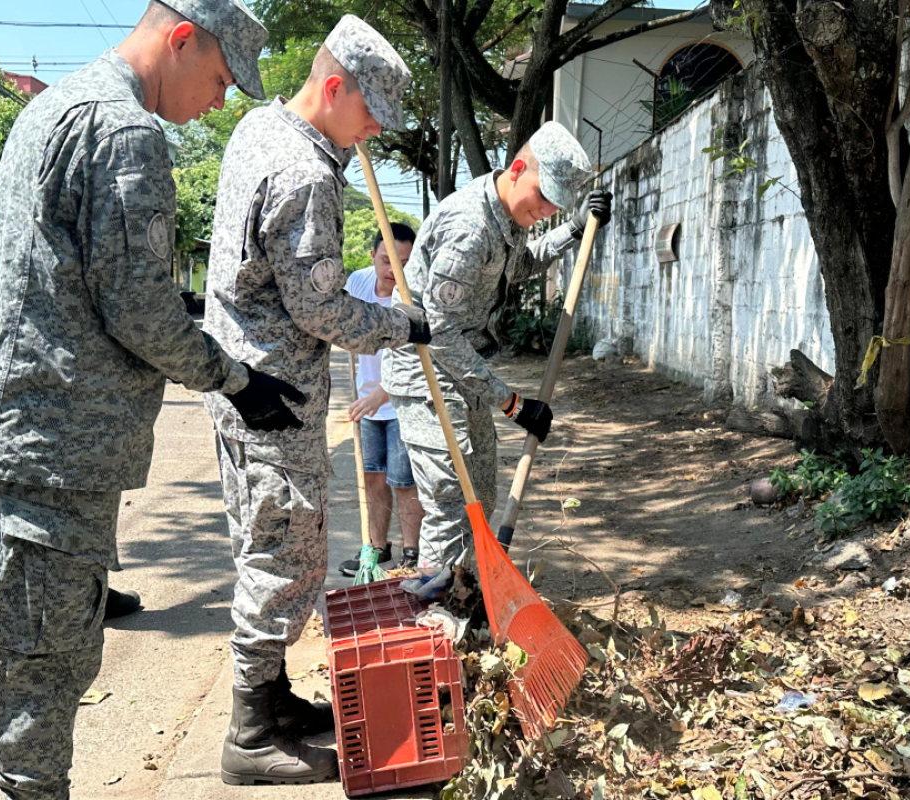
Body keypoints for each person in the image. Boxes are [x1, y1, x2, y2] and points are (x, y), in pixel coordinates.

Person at [0, 3, 309, 799]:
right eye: (217, 80)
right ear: (180, 39)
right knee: (47, 661)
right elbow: (137, 306)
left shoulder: (51, 106)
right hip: (54, 446)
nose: (220, 102)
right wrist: (235, 380)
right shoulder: (125, 133)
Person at [202, 14, 428, 786]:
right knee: (282, 554)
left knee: (267, 541)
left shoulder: (259, 129)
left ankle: (273, 697)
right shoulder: (304, 172)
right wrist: (404, 324)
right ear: (334, 87)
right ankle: (250, 732)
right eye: (369, 115)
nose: (372, 135)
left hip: (243, 384)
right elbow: (324, 310)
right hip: (273, 398)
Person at [382, 122, 612, 570]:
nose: (546, 210)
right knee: (451, 500)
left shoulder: (509, 217)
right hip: (427, 374)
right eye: (543, 197)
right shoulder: (469, 226)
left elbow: (519, 264)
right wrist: (511, 404)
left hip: (465, 372)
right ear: (518, 167)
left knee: (480, 496)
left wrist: (575, 229)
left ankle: (471, 598)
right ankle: (437, 615)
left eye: (556, 206)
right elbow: (439, 331)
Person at [338, 224, 426, 576]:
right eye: (387, 261)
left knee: (403, 481)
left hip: (405, 401)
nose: (394, 271)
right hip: (367, 402)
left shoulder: (414, 293)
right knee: (373, 477)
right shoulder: (357, 283)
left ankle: (412, 553)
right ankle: (375, 549)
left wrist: (383, 391)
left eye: (404, 263)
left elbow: (422, 358)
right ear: (373, 256)